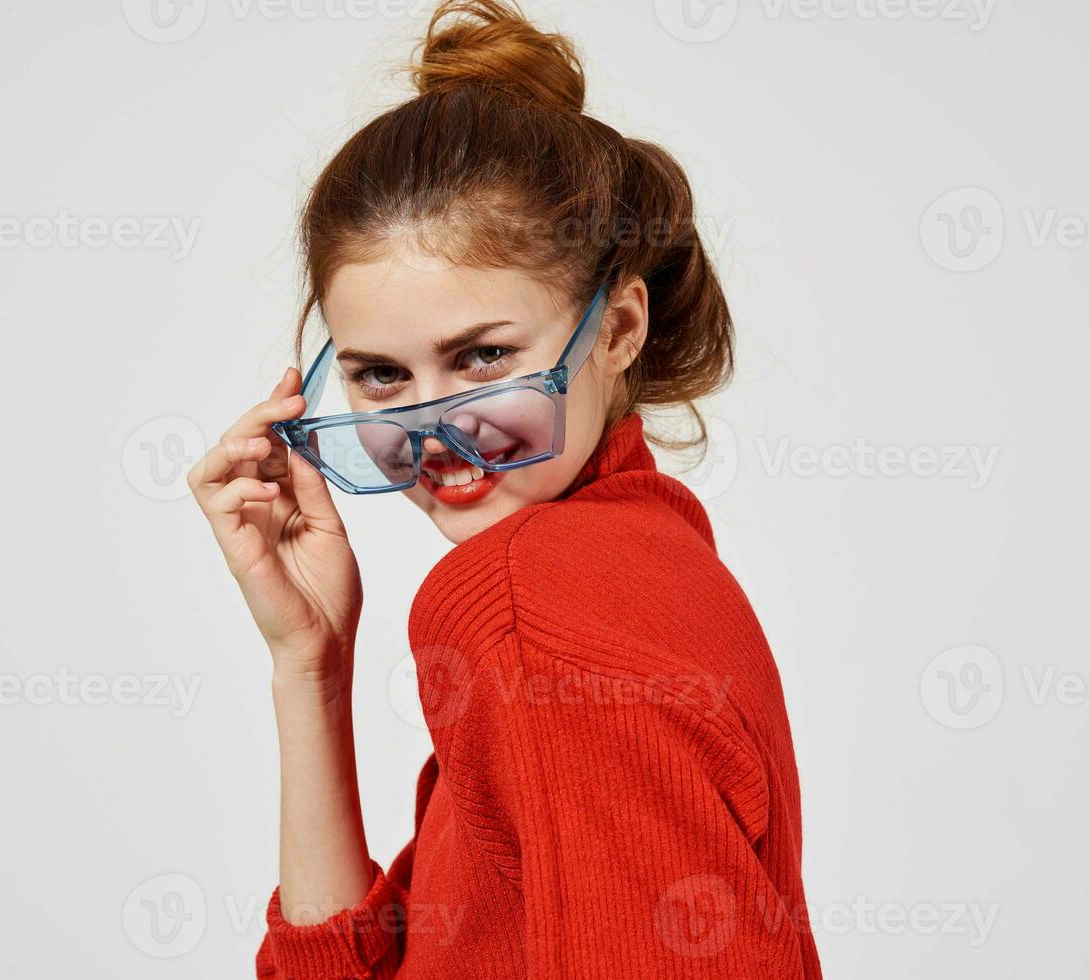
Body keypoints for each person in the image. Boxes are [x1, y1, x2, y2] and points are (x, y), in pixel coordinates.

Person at [188, 2, 821, 976]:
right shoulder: (625, 569)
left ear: (615, 329)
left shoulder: (534, 592)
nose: (434, 427)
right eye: (382, 375)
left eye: (482, 356)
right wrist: (308, 662)